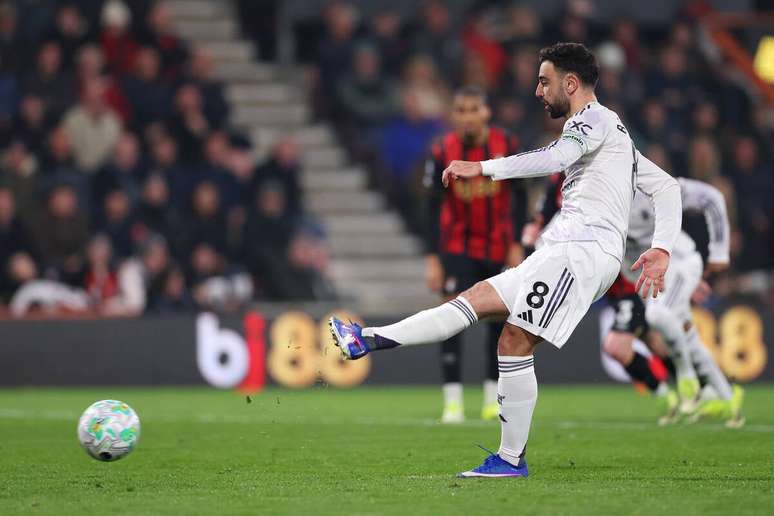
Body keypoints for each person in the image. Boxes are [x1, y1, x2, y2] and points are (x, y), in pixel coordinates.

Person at [329, 42, 682, 478]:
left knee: (513, 341)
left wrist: (484, 168)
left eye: (544, 81)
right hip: (562, 249)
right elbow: (667, 187)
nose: (537, 90)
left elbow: (556, 157)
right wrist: (662, 247)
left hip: (583, 251)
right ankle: (368, 338)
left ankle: (510, 459)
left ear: (570, 83)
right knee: (476, 298)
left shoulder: (594, 119)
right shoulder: (615, 134)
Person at [604, 177, 744, 426]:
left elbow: (712, 197)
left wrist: (719, 251)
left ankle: (686, 377)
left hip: (681, 263)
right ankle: (728, 399)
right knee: (689, 339)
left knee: (656, 316)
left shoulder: (650, 185)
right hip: (658, 278)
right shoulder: (599, 208)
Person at [423, 86, 524, 423]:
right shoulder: (441, 149)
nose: (467, 116)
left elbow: (520, 194)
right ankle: (452, 402)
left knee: (498, 321)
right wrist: (432, 256)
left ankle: (491, 399)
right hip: (457, 247)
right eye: (460, 110)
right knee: (452, 319)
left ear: (486, 112)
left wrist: (518, 243)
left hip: (498, 246)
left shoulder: (506, 145)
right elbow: (429, 205)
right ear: (454, 115)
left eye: (473, 109)